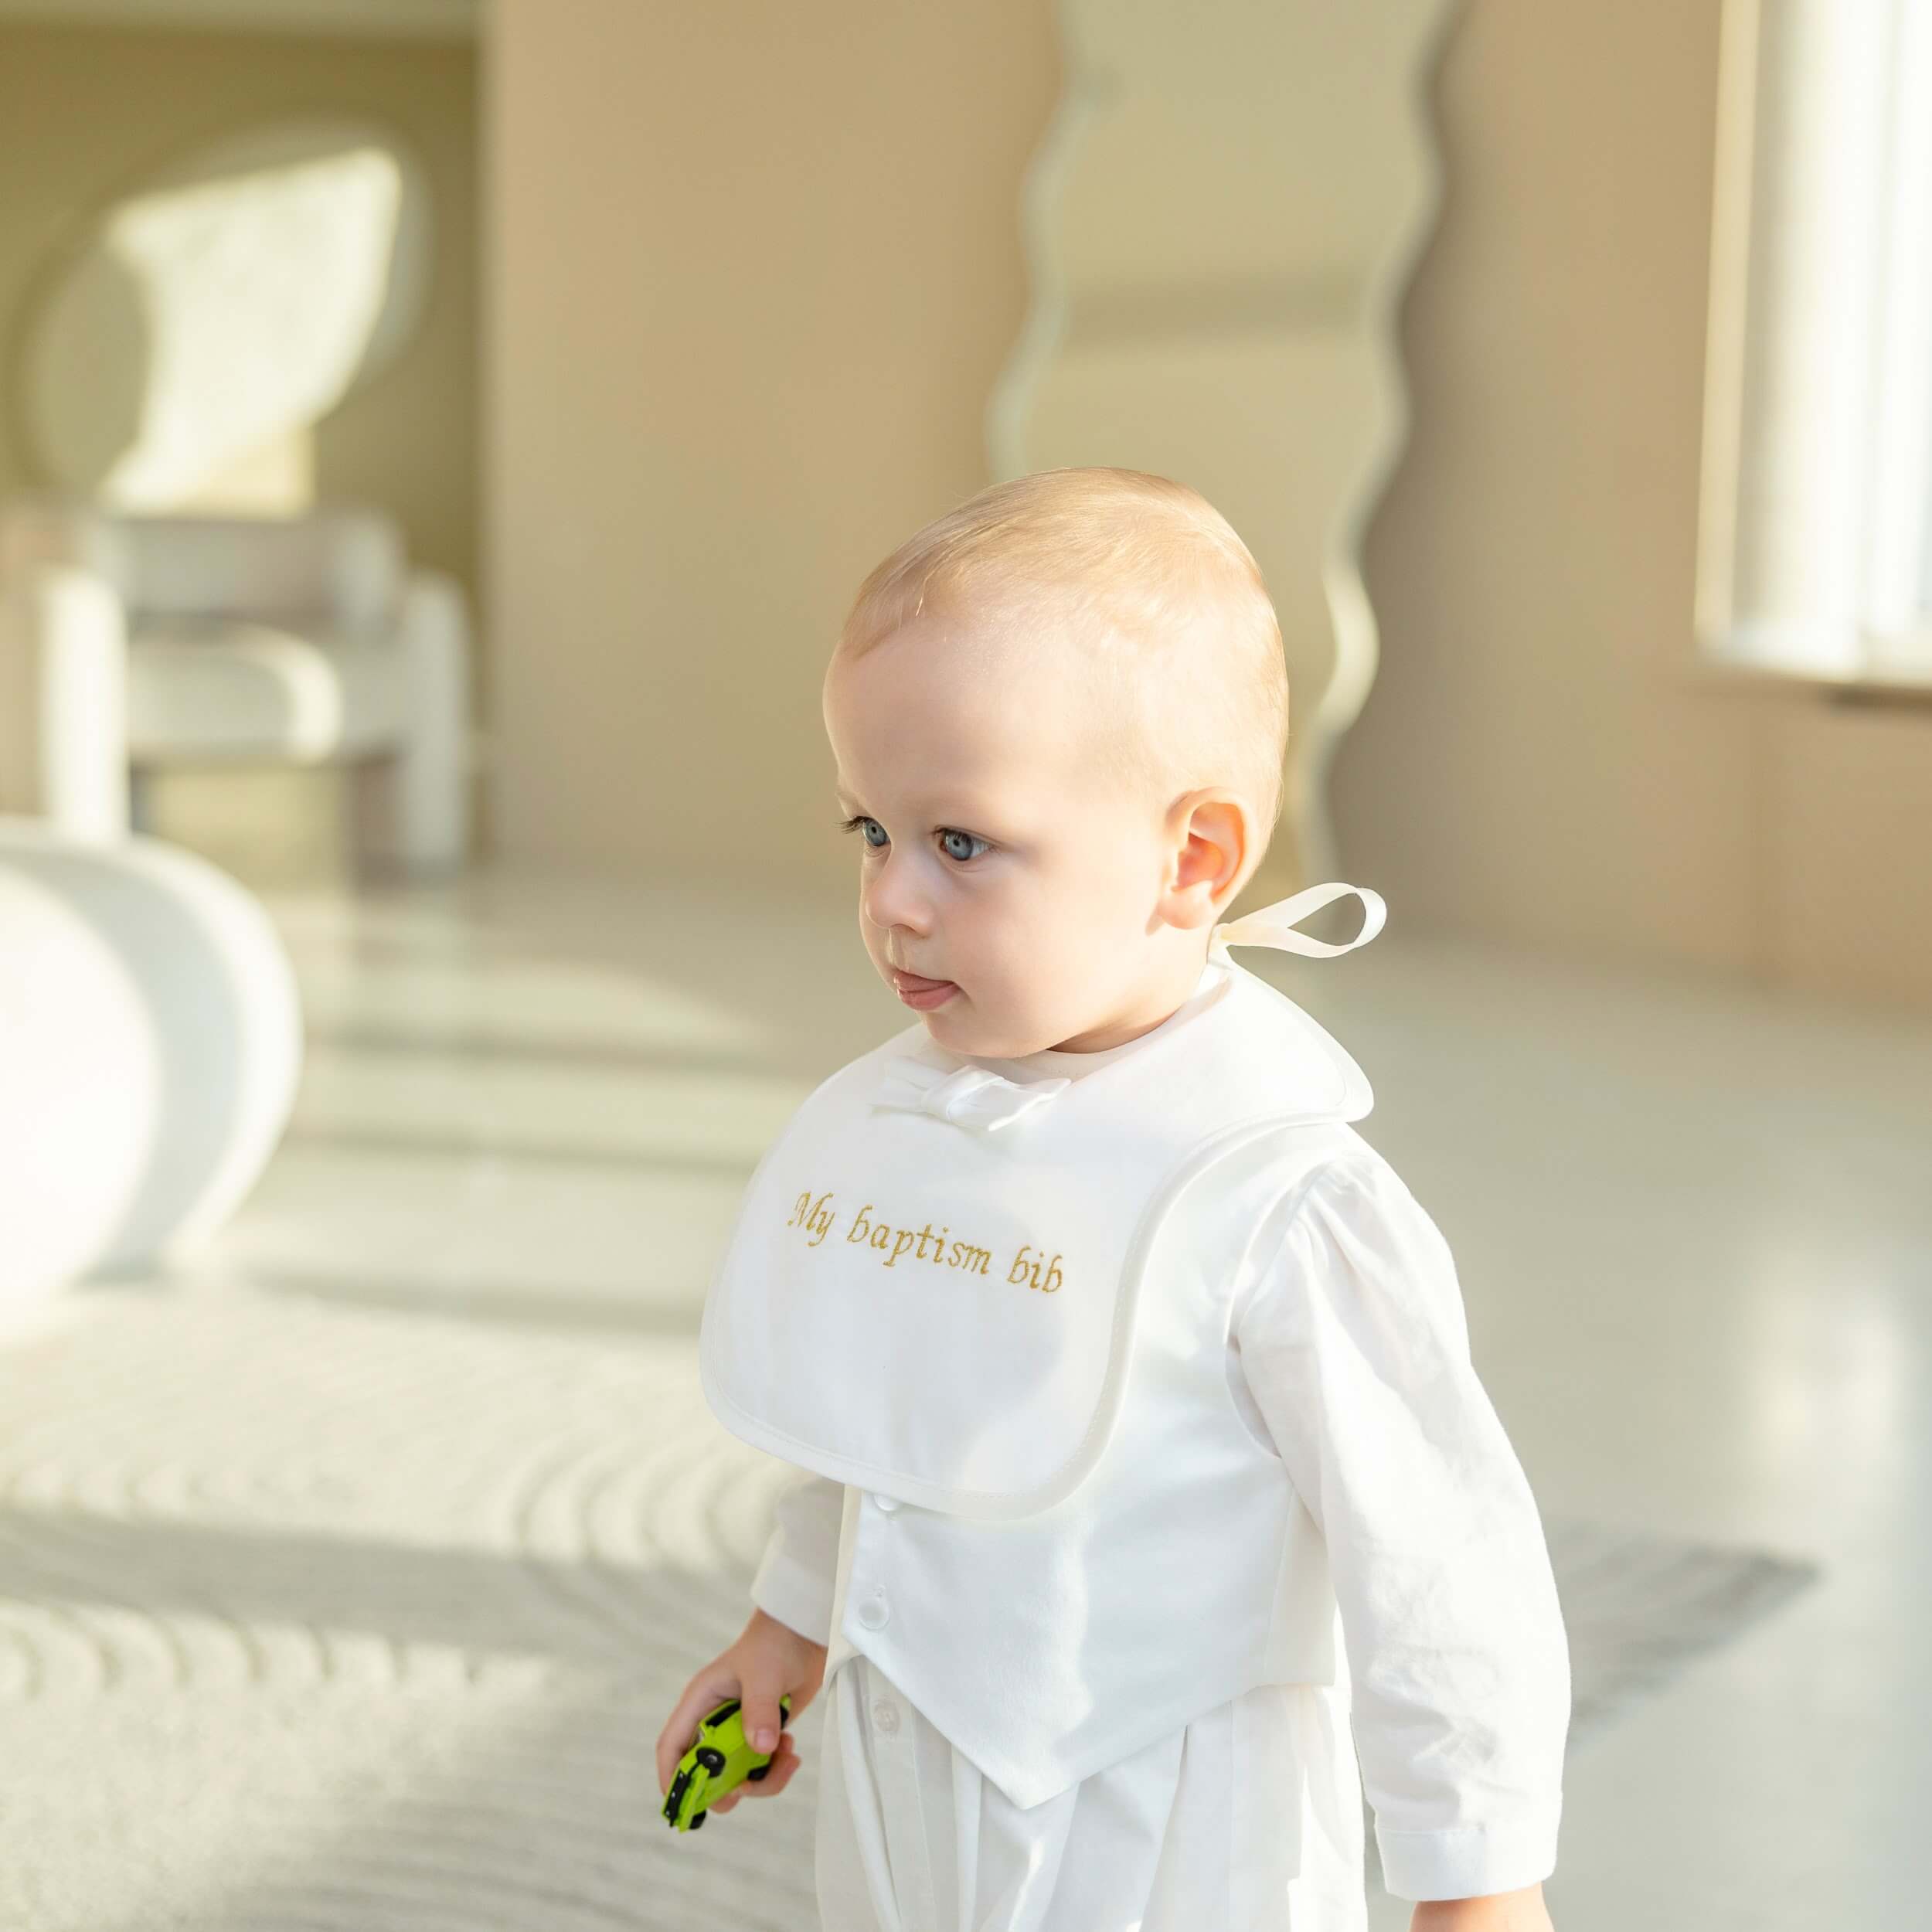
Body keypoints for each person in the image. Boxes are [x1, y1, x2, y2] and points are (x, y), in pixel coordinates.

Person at [656, 468, 1570, 1931]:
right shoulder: (915, 1121)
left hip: (1162, 1824)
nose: (893, 899)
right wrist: (791, 1626)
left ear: (1189, 859)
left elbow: (1439, 1559)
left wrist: (1481, 1881)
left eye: (960, 843)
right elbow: (889, 1412)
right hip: (908, 1780)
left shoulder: (1280, 1198)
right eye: (870, 832)